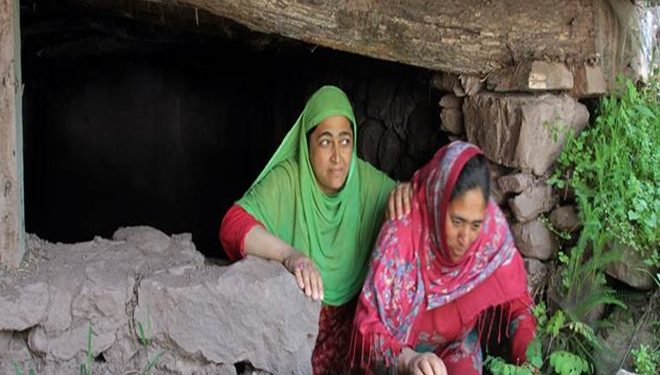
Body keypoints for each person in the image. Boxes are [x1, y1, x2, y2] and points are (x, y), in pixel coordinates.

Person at [219, 85, 411, 375]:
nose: (337, 156)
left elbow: (425, 207)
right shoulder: (288, 180)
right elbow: (232, 225)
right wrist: (290, 255)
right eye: (325, 142)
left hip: (354, 329)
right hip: (297, 331)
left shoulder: (366, 182)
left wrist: (411, 191)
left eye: (345, 141)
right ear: (307, 144)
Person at [352, 141, 536, 375]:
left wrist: (529, 362)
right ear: (437, 203)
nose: (465, 238)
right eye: (456, 221)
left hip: (458, 345)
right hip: (402, 355)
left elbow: (518, 305)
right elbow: (367, 331)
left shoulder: (491, 231)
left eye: (475, 224)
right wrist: (409, 360)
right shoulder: (402, 235)